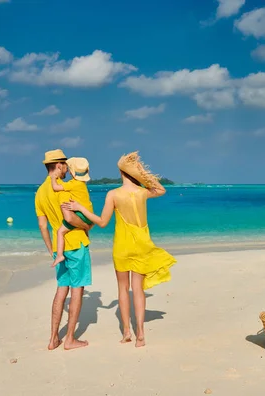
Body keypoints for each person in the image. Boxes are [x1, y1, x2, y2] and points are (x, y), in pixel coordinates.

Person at [62, 151, 176, 348]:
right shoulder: (142, 193)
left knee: (123, 289)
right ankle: (141, 334)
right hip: (141, 246)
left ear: (121, 173)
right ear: (134, 173)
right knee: (138, 290)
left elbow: (102, 222)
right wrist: (142, 176)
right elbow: (160, 189)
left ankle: (126, 332)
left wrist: (81, 208)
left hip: (122, 247)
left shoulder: (113, 194)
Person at [34, 149, 93, 351]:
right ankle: (69, 339)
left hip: (59, 249)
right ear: (58, 165)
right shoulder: (64, 188)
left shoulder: (40, 192)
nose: (67, 168)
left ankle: (53, 339)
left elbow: (43, 226)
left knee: (61, 290)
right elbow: (69, 217)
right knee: (77, 290)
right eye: (65, 164)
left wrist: (52, 250)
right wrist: (87, 226)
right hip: (76, 243)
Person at [51, 157, 94, 267]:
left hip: (81, 214)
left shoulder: (73, 184)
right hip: (88, 213)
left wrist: (53, 178)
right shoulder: (83, 184)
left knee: (60, 232)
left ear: (71, 171)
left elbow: (56, 188)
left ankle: (60, 255)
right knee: (84, 227)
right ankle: (86, 237)